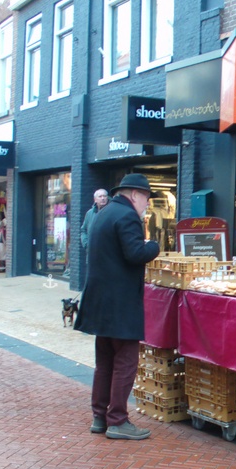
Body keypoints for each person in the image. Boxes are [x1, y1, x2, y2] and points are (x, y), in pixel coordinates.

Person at [74, 174, 160, 440]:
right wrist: (153, 246)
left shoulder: (104, 213)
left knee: (105, 363)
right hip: (120, 305)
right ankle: (118, 420)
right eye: (146, 197)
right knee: (125, 362)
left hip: (100, 302)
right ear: (134, 194)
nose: (147, 203)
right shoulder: (127, 216)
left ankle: (100, 417)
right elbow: (135, 253)